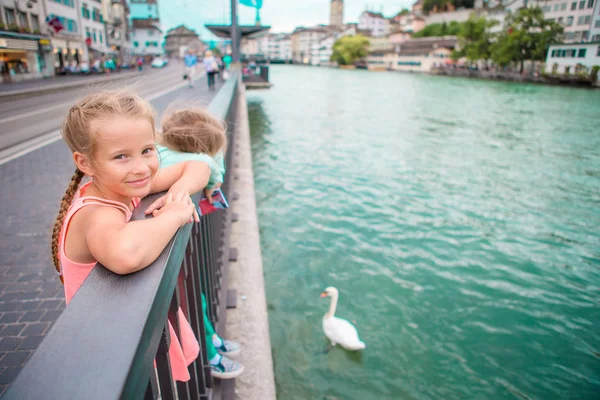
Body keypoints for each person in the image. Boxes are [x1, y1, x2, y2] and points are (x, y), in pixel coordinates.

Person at [51, 89, 213, 382]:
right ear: (85, 162)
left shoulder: (123, 186)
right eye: (121, 156)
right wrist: (174, 216)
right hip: (112, 352)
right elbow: (126, 255)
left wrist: (177, 193)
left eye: (147, 150)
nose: (141, 167)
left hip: (125, 331)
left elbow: (200, 165)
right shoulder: (96, 212)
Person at [156, 107, 244, 379]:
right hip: (166, 258)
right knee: (189, 306)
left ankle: (211, 340)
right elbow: (214, 170)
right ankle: (210, 356)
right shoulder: (197, 163)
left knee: (197, 300)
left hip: (171, 251)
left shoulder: (160, 152)